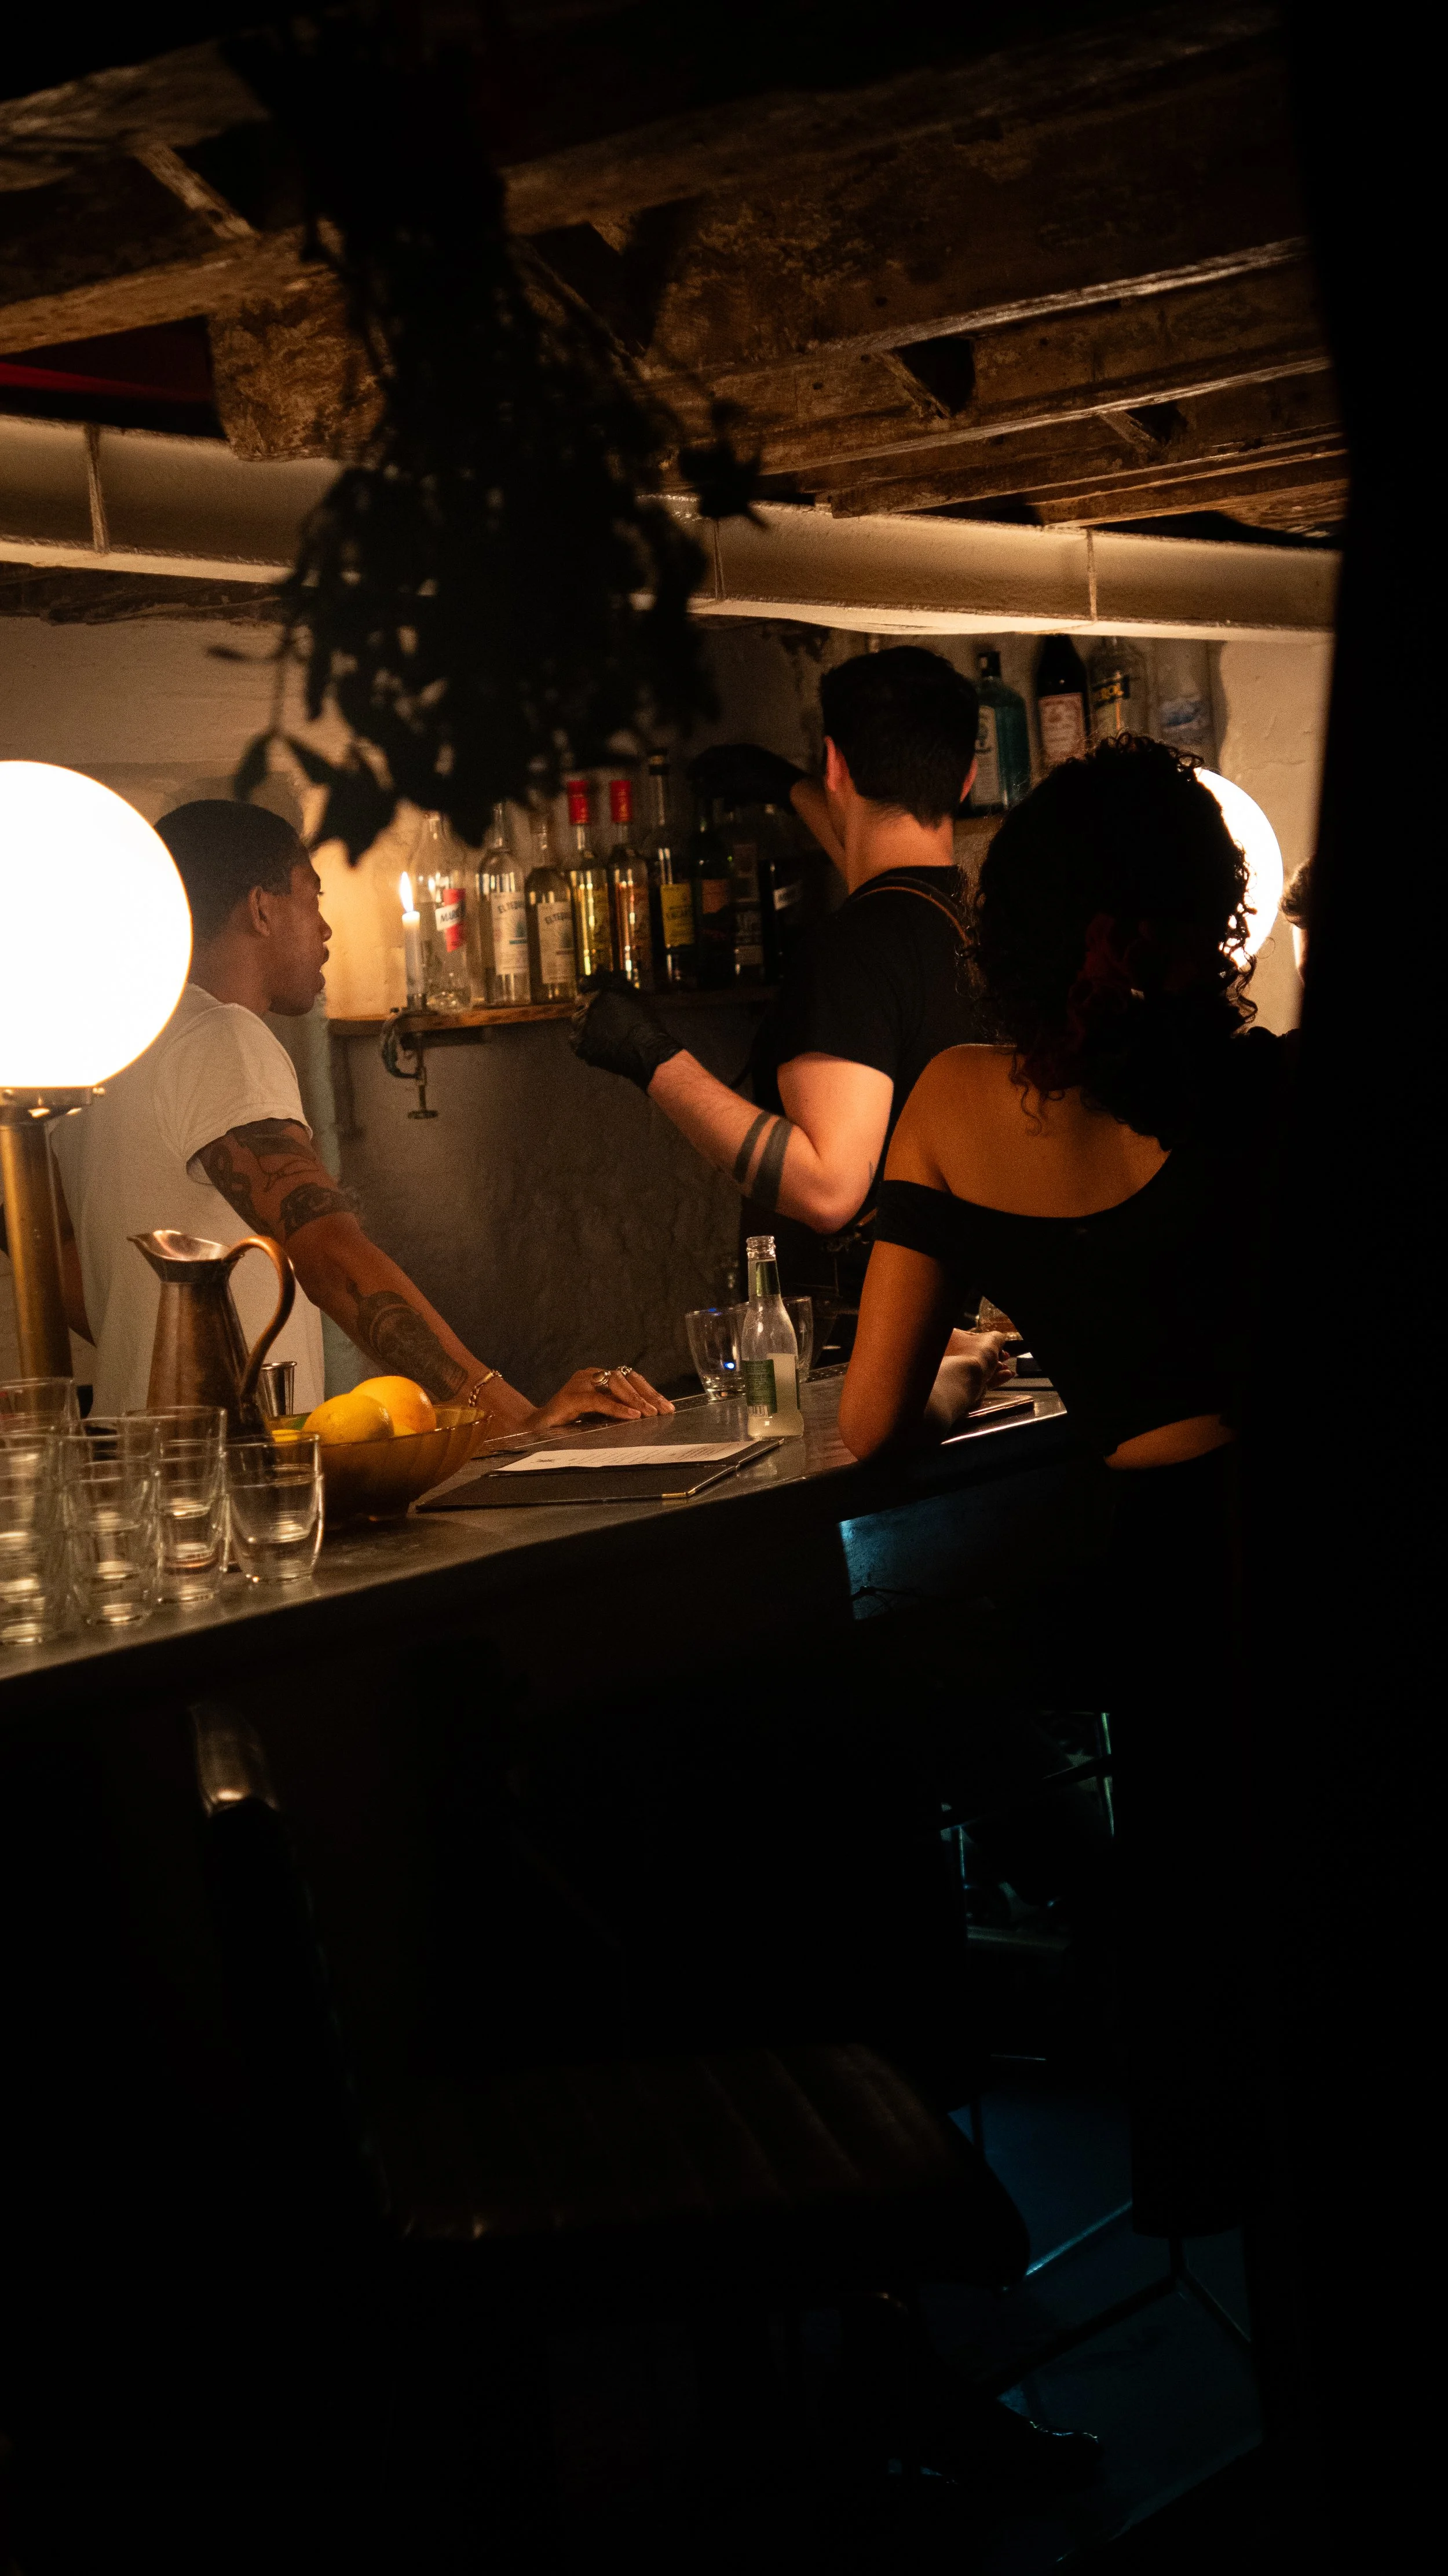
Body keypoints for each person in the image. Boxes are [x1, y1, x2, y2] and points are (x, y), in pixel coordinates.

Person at [839, 734, 1293, 2237]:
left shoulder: (954, 1103)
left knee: (1185, 1897)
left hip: (1156, 1563)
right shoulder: (1255, 1093)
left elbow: (863, 1428)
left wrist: (966, 1370)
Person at [49, 802, 671, 1433]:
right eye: (312, 898)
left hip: (128, 1457)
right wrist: (516, 1419)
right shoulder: (221, 1036)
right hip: (227, 1469)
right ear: (262, 908)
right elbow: (330, 1255)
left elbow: (65, 1256)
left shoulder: (109, 1050)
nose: (324, 929)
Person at [572, 647, 987, 1304]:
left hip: (862, 1352)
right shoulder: (965, 921)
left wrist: (652, 1058)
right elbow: (881, 865)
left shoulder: (853, 948)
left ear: (835, 764)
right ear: (967, 777)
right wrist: (788, 788)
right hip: (958, 1320)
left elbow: (828, 1189)